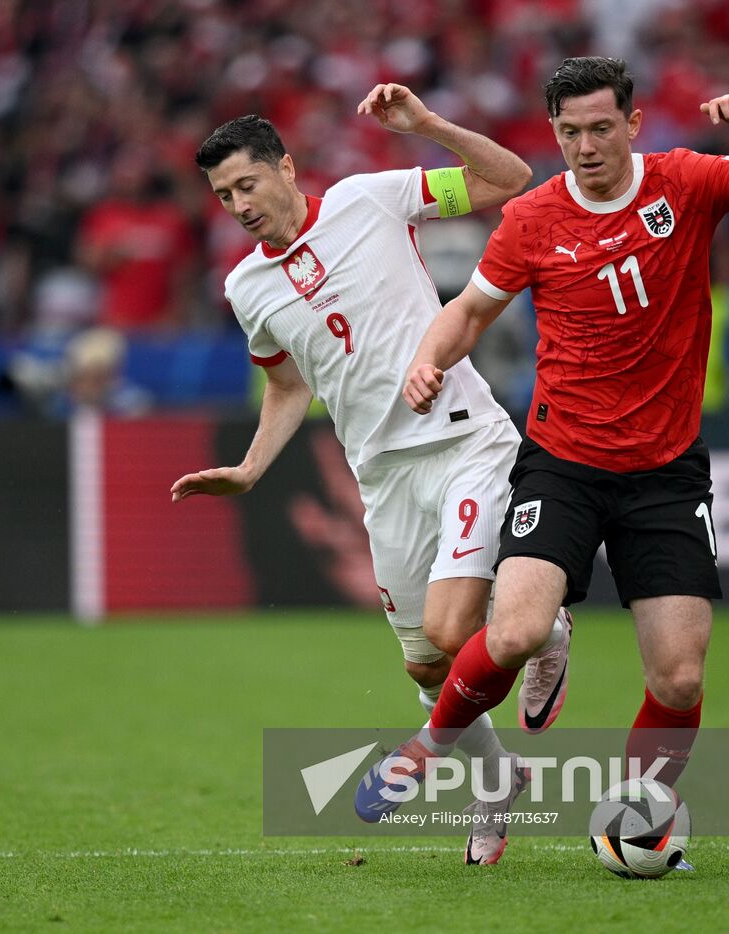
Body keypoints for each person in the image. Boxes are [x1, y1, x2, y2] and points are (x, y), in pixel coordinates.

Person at [397, 58, 729, 857]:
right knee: (516, 630)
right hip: (563, 461)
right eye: (568, 132)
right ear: (554, 133)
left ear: (631, 124)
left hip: (665, 472)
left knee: (680, 680)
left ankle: (639, 812)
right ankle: (432, 744)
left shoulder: (686, 184)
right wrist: (429, 359)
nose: (585, 146)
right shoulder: (531, 218)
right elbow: (470, 311)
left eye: (599, 128)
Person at [171, 84, 572, 865]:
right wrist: (251, 469)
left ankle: (543, 625)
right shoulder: (246, 287)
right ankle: (499, 782)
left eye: (248, 184)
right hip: (381, 475)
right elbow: (288, 385)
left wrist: (425, 126)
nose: (239, 204)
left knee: (460, 631)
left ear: (286, 167)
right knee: (424, 660)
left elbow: (507, 177)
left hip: (462, 440)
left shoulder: (371, 198)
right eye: (224, 196)